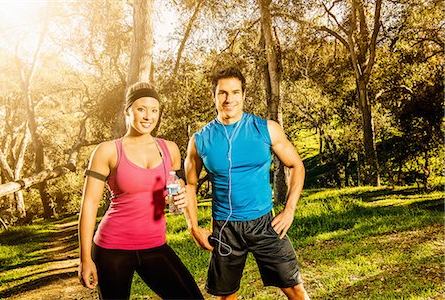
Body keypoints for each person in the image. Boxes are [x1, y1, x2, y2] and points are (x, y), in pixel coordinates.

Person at [184, 67, 310, 300]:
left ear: (243, 95)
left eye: (234, 92)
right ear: (214, 96)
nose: (228, 99)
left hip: (265, 223)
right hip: (225, 228)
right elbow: (189, 185)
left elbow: (296, 166)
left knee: (296, 290)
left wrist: (290, 210)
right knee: (226, 296)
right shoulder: (200, 140)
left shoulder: (266, 129)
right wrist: (193, 227)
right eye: (222, 93)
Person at [78, 82, 204, 300]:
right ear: (128, 111)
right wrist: (85, 258)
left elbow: (177, 185)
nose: (148, 116)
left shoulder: (169, 148)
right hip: (112, 249)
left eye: (154, 110)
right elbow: (89, 205)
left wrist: (182, 195)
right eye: (141, 109)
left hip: (155, 246)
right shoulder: (107, 150)